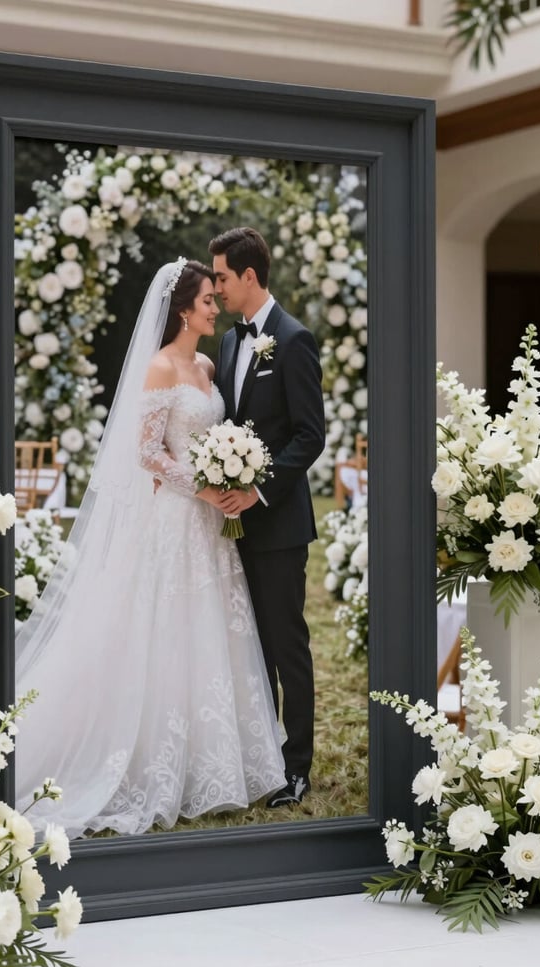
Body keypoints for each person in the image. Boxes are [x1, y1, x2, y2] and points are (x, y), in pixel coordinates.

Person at [15, 258, 285, 838]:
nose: (216, 307)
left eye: (217, 297)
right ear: (183, 308)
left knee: (214, 630)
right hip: (176, 521)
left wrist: (231, 476)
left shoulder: (208, 365)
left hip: (213, 526)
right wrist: (205, 486)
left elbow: (215, 434)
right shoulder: (160, 367)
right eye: (209, 300)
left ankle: (220, 763)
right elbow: (147, 454)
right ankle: (153, 764)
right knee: (167, 631)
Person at [209, 227, 325, 807]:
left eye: (224, 278)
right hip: (230, 527)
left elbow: (310, 436)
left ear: (250, 276)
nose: (218, 288)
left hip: (277, 525)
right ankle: (260, 758)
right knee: (248, 647)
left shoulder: (294, 340)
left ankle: (297, 766)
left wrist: (259, 491)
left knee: (286, 644)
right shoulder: (230, 344)